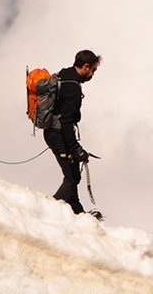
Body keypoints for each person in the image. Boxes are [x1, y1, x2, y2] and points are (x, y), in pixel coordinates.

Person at [43, 49, 101, 215]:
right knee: (72, 177)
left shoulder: (63, 73)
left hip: (52, 132)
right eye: (93, 70)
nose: (92, 74)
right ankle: (47, 211)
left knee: (73, 173)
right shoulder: (73, 88)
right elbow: (66, 122)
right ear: (85, 67)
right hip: (59, 135)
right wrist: (75, 148)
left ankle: (78, 214)